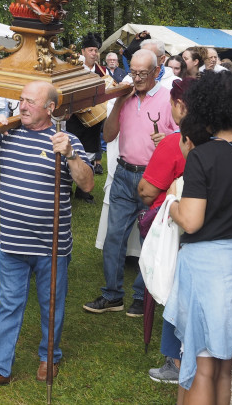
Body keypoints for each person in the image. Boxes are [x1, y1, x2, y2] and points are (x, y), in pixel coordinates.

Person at [0, 80, 94, 388]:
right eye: (21, 100)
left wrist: (72, 156)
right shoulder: (8, 135)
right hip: (11, 241)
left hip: (52, 244)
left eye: (30, 102)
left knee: (52, 304)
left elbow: (88, 184)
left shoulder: (66, 140)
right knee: (9, 303)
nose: (22, 106)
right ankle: (0, 367)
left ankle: (49, 356)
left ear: (50, 108)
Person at [165, 71, 232, 403]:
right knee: (227, 364)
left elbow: (191, 221)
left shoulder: (204, 155)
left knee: (203, 364)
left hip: (206, 268)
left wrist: (172, 204)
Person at [84, 49, 175, 317]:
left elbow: (182, 137)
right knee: (114, 236)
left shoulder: (168, 99)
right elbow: (109, 135)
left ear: (156, 71)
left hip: (153, 177)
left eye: (142, 73)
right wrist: (120, 103)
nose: (136, 78)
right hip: (124, 173)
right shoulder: (125, 98)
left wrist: (167, 139)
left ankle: (140, 295)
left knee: (150, 239)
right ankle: (112, 295)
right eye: (132, 72)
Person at [136, 77, 196, 385]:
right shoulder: (221, 139)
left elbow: (146, 190)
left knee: (172, 290)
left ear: (179, 105)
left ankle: (174, 359)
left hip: (173, 226)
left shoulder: (177, 141)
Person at [66, 32, 107, 192]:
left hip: (93, 119)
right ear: (83, 51)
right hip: (74, 118)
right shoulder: (74, 68)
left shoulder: (102, 71)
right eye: (91, 50)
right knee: (70, 150)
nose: (94, 53)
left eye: (96, 50)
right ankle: (67, 186)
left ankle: (83, 191)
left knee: (90, 150)